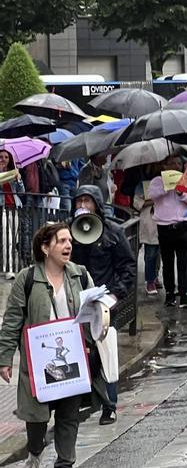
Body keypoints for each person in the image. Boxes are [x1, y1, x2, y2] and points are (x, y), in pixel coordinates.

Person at [0, 222, 92, 468]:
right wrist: (4, 359)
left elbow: (93, 313)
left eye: (70, 241)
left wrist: (96, 330)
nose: (68, 245)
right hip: (39, 362)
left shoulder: (79, 274)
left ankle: (65, 461)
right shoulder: (27, 278)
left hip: (71, 358)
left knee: (68, 415)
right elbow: (11, 321)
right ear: (45, 247)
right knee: (37, 417)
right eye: (61, 241)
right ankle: (35, 450)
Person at [69, 185, 136, 425]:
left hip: (104, 304)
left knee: (106, 353)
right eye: (79, 201)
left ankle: (110, 404)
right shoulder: (68, 233)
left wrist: (116, 295)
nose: (83, 206)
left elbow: (127, 267)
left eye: (88, 201)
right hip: (75, 303)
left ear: (98, 204)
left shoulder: (113, 232)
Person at [148, 156, 187, 307]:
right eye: (172, 163)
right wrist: (167, 186)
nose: (175, 166)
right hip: (164, 227)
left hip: (183, 226)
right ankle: (169, 294)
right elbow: (152, 195)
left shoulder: (186, 179)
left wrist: (181, 192)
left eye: (178, 163)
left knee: (184, 262)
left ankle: (185, 293)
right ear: (165, 165)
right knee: (167, 263)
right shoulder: (157, 181)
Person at [1, 149, 25, 279]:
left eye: (6, 157)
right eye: (1, 157)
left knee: (14, 240)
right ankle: (8, 269)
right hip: (3, 209)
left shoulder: (13, 173)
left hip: (15, 208)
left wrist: (19, 180)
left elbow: (22, 192)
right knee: (7, 240)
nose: (3, 159)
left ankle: (10, 266)